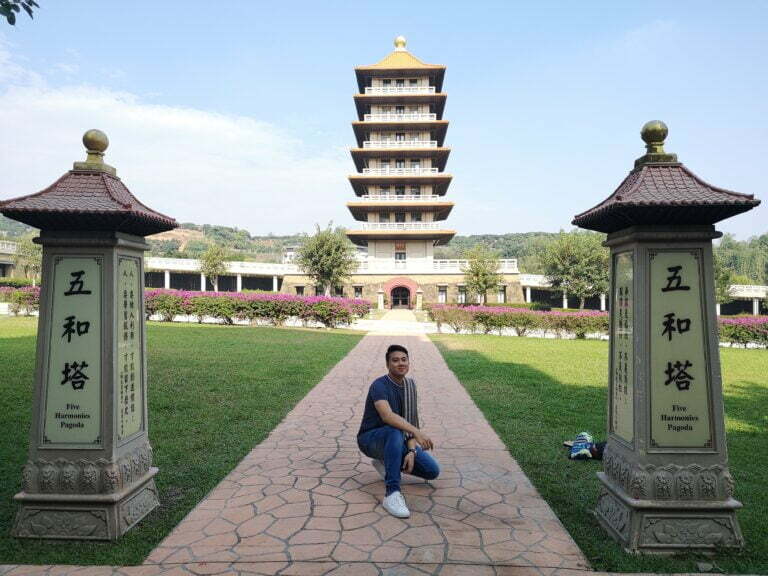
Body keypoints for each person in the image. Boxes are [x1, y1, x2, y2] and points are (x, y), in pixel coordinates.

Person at [357, 344, 440, 518]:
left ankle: (386, 463)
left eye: (404, 359)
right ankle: (392, 493)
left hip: (397, 439)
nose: (400, 363)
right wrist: (417, 432)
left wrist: (411, 450)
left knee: (432, 471)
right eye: (395, 360)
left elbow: (409, 420)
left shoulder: (410, 386)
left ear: (408, 363)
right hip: (370, 439)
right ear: (388, 364)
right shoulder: (379, 385)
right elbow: (387, 416)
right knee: (393, 431)